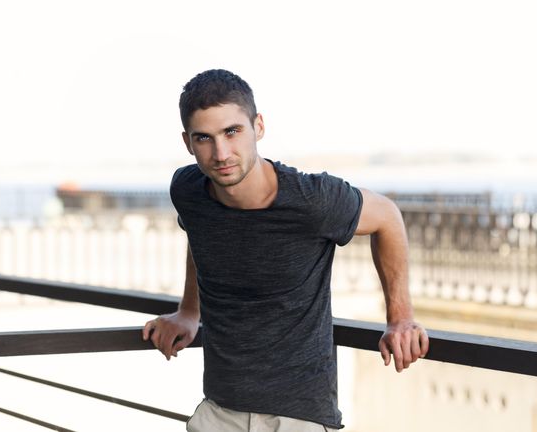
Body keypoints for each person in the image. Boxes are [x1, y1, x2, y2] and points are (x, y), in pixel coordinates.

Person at [142, 69, 429, 431]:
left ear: (258, 126)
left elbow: (387, 217)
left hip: (297, 417)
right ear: (188, 142)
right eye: (205, 138)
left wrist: (400, 318)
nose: (221, 153)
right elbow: (197, 232)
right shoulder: (187, 190)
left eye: (233, 132)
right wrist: (188, 311)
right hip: (219, 410)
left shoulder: (313, 199)